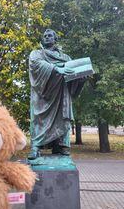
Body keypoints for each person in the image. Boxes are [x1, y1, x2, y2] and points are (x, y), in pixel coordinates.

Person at [28, 29, 88, 159]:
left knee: (62, 118)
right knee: (39, 120)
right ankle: (36, 147)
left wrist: (81, 79)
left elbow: (73, 76)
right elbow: (36, 65)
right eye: (45, 36)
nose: (47, 38)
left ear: (55, 39)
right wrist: (57, 69)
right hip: (42, 95)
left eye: (50, 36)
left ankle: (60, 146)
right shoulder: (37, 53)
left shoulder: (66, 58)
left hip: (61, 96)